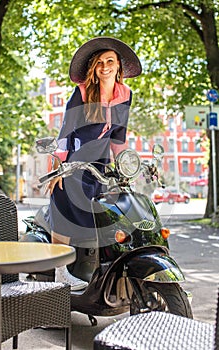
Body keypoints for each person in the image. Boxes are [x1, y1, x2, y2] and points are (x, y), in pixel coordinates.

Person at [47, 36, 142, 290]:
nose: (105, 66)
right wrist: (59, 168)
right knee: (64, 203)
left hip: (101, 164)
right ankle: (60, 273)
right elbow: (65, 133)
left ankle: (103, 271)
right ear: (93, 68)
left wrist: (127, 169)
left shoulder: (125, 95)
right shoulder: (81, 93)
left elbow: (119, 137)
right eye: (99, 62)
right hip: (75, 163)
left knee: (113, 213)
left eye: (110, 61)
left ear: (118, 67)